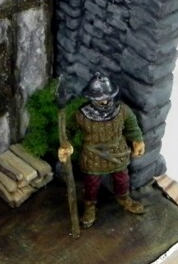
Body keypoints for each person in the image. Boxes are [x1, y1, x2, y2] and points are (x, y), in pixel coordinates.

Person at [57, 72, 146, 229]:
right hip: (93, 157)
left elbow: (132, 126)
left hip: (117, 153)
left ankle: (123, 198)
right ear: (92, 98)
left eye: (107, 97)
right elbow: (69, 131)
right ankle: (90, 206)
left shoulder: (122, 110)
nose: (104, 102)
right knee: (91, 184)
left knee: (122, 179)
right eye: (99, 99)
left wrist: (137, 140)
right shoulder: (81, 115)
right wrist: (66, 145)